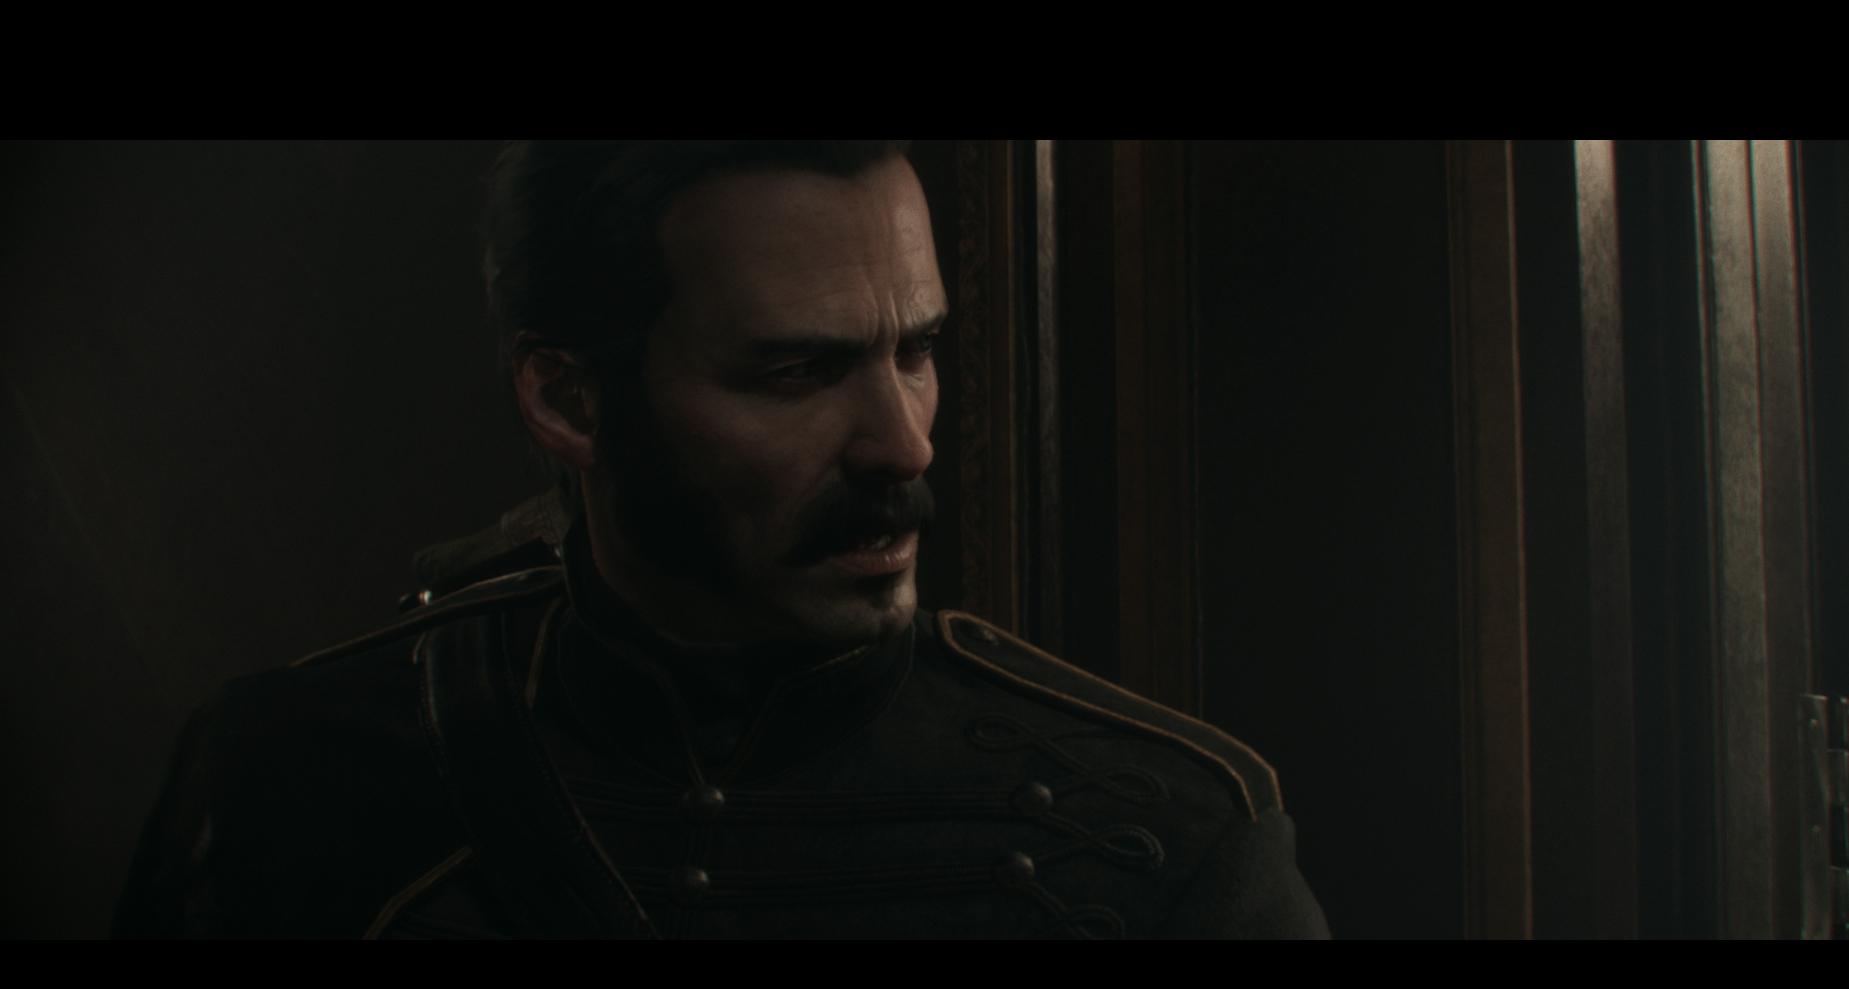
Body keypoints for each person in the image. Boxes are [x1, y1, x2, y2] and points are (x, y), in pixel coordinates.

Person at [112, 141, 1328, 939]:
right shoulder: (280, 781)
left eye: (913, 352)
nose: (902, 446)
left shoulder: (1177, 841)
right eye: (798, 372)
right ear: (570, 402)